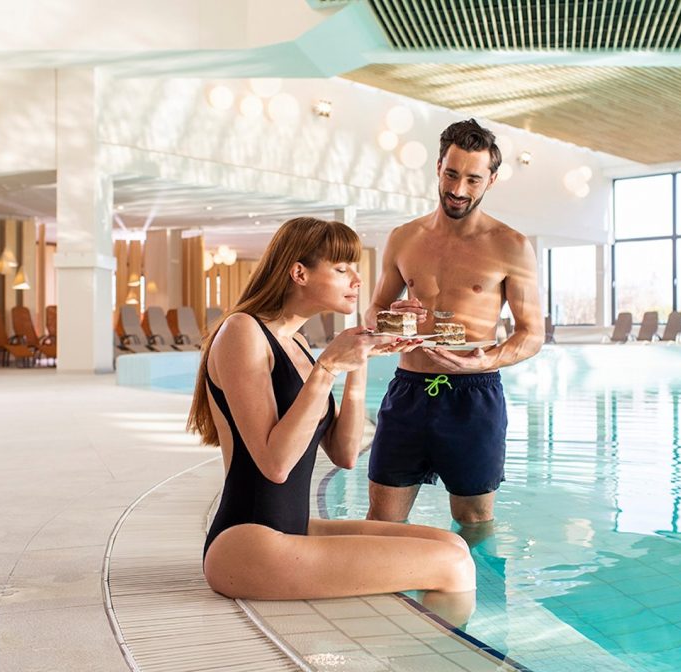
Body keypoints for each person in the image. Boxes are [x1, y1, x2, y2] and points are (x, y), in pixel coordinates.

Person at [189, 217, 474, 621]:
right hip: (246, 540)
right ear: (299, 273)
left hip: (293, 528)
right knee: (452, 567)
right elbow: (275, 464)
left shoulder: (300, 343)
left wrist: (360, 361)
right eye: (342, 269)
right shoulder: (243, 332)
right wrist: (326, 368)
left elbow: (344, 454)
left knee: (454, 547)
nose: (356, 279)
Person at [365, 118, 544, 529]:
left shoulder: (511, 246)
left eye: (473, 179)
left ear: (492, 180)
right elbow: (375, 308)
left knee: (475, 520)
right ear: (438, 167)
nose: (458, 190)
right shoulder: (403, 238)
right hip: (407, 391)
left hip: (473, 396)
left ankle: (470, 593)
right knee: (381, 519)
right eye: (451, 174)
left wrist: (480, 362)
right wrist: (389, 320)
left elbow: (532, 334)